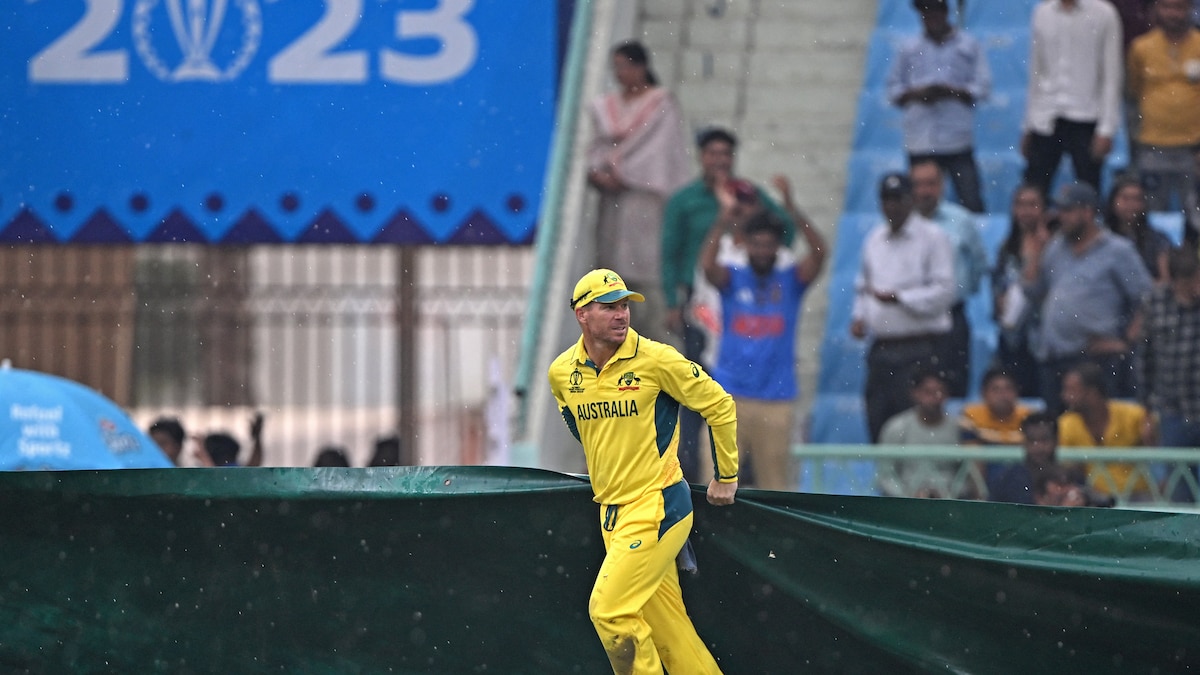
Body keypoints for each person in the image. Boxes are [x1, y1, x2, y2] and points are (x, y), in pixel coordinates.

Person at [547, 268, 737, 674]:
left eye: (624, 307)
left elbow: (719, 404)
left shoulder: (657, 359)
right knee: (670, 632)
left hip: (657, 506)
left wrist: (726, 475)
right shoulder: (562, 372)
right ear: (582, 314)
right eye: (609, 307)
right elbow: (582, 428)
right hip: (612, 513)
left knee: (610, 613)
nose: (621, 315)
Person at [661, 126, 795, 482]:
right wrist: (675, 303)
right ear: (702, 157)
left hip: (745, 331)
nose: (719, 160)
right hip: (705, 321)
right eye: (712, 153)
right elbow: (672, 253)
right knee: (697, 405)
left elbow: (787, 236)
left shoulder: (751, 209)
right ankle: (694, 476)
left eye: (726, 154)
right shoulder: (687, 203)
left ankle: (743, 480)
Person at [699, 184, 826, 490]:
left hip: (776, 399)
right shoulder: (733, 278)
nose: (763, 252)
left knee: (776, 488)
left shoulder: (790, 282)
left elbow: (820, 253)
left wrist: (794, 212)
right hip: (729, 396)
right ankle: (710, 537)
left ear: (777, 247)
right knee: (714, 483)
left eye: (769, 245)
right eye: (756, 245)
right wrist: (721, 221)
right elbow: (707, 266)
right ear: (746, 246)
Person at [587, 41, 692, 343]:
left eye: (624, 66)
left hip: (646, 199)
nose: (619, 73)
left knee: (647, 273)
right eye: (615, 67)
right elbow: (597, 149)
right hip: (614, 202)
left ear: (640, 66)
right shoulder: (607, 106)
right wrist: (599, 171)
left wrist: (625, 171)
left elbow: (660, 155)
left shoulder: (661, 104)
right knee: (612, 270)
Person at [1022, 182, 1154, 413]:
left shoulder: (1117, 250)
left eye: (1068, 210)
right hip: (1054, 356)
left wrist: (1126, 341)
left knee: (1095, 426)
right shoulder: (1055, 246)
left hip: (1095, 358)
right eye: (1060, 210)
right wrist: (1037, 252)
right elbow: (1032, 292)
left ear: (1088, 212)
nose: (1062, 217)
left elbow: (1148, 299)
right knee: (1058, 428)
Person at [851, 172, 957, 443]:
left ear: (911, 200)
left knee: (917, 429)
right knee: (878, 423)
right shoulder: (874, 239)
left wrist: (901, 298)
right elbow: (863, 286)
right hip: (882, 348)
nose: (892, 206)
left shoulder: (933, 237)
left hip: (921, 348)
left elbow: (944, 292)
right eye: (887, 200)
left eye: (898, 199)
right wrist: (860, 316)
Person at [886, 0, 991, 213]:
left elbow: (983, 87)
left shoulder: (968, 45)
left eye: (933, 12)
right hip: (921, 140)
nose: (929, 18)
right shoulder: (909, 48)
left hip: (957, 140)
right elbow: (893, 90)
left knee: (971, 202)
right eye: (925, 13)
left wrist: (952, 92)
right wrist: (918, 94)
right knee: (919, 204)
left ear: (944, 12)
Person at [1021, 0, 1123, 196]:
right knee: (1035, 188)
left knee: (1089, 190)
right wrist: (1028, 125)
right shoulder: (1042, 13)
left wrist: (1107, 129)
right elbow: (1036, 72)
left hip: (1086, 117)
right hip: (1045, 116)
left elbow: (1112, 76)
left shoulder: (1105, 13)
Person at [911, 159, 989, 396]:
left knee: (953, 388)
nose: (925, 191)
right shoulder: (902, 224)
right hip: (913, 319)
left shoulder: (962, 220)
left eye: (931, 184)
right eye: (918, 184)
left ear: (943, 185)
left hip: (952, 316)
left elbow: (978, 264)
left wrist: (962, 290)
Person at [1127, 0, 1200, 244]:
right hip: (1153, 145)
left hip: (1193, 150)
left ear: (1190, 9)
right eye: (1167, 7)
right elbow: (1133, 92)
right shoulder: (1141, 47)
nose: (1173, 14)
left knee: (1195, 214)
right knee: (1150, 213)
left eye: (1179, 7)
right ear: (1157, 9)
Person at [1140, 247, 1200, 501]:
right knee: (1180, 493)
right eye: (1188, 281)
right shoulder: (1155, 302)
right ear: (1175, 280)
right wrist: (1146, 411)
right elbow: (1145, 359)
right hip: (1173, 410)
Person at [991, 184, 1057, 397]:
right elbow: (997, 286)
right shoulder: (1006, 249)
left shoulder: (1056, 248)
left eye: (1032, 205)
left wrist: (1041, 246)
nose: (1026, 211)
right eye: (1020, 205)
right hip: (1013, 336)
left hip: (1044, 334)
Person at [1059, 362, 1157, 501]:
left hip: (1138, 494)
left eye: (1072, 390)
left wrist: (1150, 437)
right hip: (1096, 499)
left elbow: (1157, 446)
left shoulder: (1133, 414)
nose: (1065, 396)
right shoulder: (1066, 423)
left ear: (1092, 393)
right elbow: (1067, 468)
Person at [877, 366, 964, 498]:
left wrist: (947, 494)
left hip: (950, 505)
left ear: (947, 395)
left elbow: (970, 476)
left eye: (940, 391)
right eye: (928, 392)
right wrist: (908, 496)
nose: (935, 398)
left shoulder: (959, 428)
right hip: (905, 505)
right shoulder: (896, 427)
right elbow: (885, 475)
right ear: (915, 393)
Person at [960, 367, 1034, 493]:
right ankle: (982, 501)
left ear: (1017, 393)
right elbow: (970, 450)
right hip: (988, 471)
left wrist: (989, 436)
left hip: (1021, 470)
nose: (1003, 395)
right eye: (996, 389)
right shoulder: (972, 414)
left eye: (1008, 389)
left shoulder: (1028, 415)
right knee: (974, 455)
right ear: (983, 393)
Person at [988, 411, 1075, 504]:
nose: (1038, 446)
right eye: (1032, 440)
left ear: (1056, 441)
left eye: (1044, 440)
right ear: (1023, 442)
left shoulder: (1071, 478)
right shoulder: (1007, 480)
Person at [1104, 175, 1173, 282]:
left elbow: (1165, 279)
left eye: (1137, 199)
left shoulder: (1157, 239)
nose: (1131, 204)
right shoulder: (1100, 237)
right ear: (1113, 201)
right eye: (1125, 198)